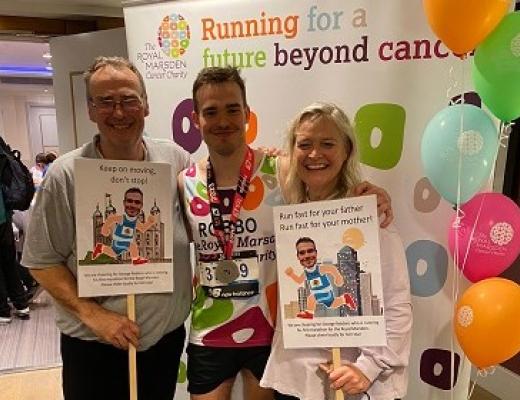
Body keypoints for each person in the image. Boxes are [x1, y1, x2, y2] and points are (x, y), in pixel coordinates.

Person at [179, 67, 394, 400]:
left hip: (271, 329)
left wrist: (369, 194)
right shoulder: (185, 181)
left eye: (233, 109)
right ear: (196, 119)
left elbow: (327, 194)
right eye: (211, 111)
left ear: (247, 113)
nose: (223, 120)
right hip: (209, 329)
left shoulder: (281, 170)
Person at [21, 56, 192, 400]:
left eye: (129, 99)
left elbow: (202, 221)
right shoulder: (65, 175)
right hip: (94, 344)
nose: (118, 112)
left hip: (163, 340)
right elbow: (41, 260)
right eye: (106, 102)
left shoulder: (174, 160)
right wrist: (94, 314)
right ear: (90, 109)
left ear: (145, 105)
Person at [260, 102, 412, 400]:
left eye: (327, 143)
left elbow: (396, 305)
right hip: (295, 381)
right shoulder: (292, 214)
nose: (315, 154)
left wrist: (367, 368)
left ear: (347, 150)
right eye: (305, 144)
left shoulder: (369, 214)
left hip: (352, 382)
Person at [286, 237, 357, 319]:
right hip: (320, 294)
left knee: (311, 298)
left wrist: (338, 277)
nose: (307, 255)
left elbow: (331, 268)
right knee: (333, 304)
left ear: (316, 253)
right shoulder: (305, 273)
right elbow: (299, 280)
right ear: (298, 257)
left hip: (325, 292)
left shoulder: (319, 269)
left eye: (310, 251)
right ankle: (345, 299)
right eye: (302, 253)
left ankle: (309, 313)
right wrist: (291, 274)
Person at [92, 187, 156, 265]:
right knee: (132, 246)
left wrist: (149, 223)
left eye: (137, 202)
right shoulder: (122, 218)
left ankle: (100, 248)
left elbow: (142, 229)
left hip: (123, 242)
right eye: (129, 201)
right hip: (119, 241)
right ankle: (135, 260)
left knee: (113, 253)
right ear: (124, 203)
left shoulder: (136, 222)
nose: (132, 205)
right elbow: (111, 220)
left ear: (141, 205)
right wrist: (105, 228)